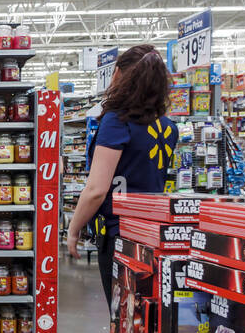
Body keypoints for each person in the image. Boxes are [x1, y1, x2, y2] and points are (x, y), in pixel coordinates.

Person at [65, 44, 178, 308]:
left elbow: (96, 189)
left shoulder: (117, 122)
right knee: (148, 316)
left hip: (119, 234)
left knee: (124, 318)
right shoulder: (168, 126)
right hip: (153, 232)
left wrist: (73, 229)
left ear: (118, 75)